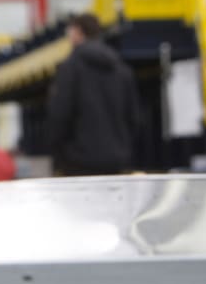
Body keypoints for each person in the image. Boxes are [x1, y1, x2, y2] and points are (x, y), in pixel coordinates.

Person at [46, 13, 139, 176]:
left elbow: (60, 115)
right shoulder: (121, 69)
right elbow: (133, 116)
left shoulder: (70, 68)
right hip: (115, 161)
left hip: (78, 162)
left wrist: (58, 155)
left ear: (78, 33)